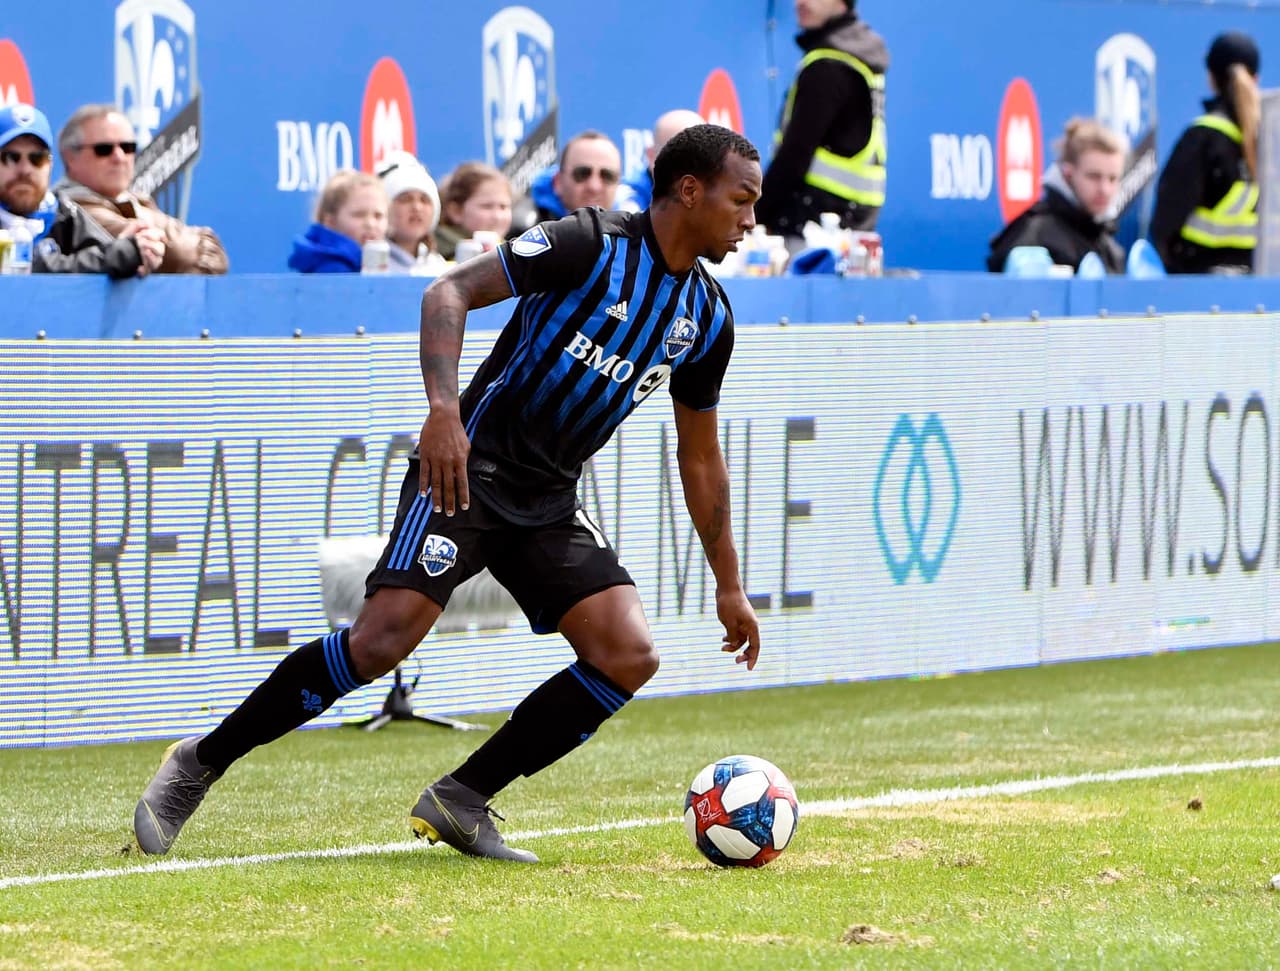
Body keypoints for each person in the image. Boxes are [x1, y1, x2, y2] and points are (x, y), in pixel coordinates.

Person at [132, 124, 763, 864]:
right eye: (741, 200)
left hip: (550, 499)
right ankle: (200, 761)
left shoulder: (707, 318)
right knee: (379, 644)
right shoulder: (588, 243)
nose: (750, 220)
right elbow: (449, 289)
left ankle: (462, 797)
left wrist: (729, 583)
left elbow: (700, 457)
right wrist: (442, 413)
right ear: (689, 191)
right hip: (466, 472)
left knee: (627, 653)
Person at [756, 0, 889, 243]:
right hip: (853, 226)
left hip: (811, 231)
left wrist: (753, 217)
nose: (801, 2)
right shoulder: (860, 54)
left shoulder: (829, 64)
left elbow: (794, 157)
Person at [53, 104, 228, 274]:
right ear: (70, 157)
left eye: (128, 147)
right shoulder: (65, 209)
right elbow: (184, 254)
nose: (119, 157)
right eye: (104, 149)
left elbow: (215, 259)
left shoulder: (137, 200)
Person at [0, 103, 162, 278]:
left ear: (50, 165)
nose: (25, 170)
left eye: (37, 158)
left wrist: (140, 253)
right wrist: (120, 254)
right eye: (10, 157)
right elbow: (30, 270)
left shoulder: (63, 213)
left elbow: (108, 253)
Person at [1150, 32, 1261, 275]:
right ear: (1256, 78)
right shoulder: (1269, 142)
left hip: (1197, 288)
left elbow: (1164, 223)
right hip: (1259, 293)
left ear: (1211, 77)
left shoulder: (1203, 137)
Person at [987, 118, 1126, 274]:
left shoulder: (1111, 249)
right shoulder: (1033, 238)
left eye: (1113, 178)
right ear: (1067, 175)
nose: (1104, 189)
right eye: (1093, 176)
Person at [287, 170, 388, 273]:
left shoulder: (369, 264)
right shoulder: (333, 269)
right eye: (359, 215)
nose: (370, 224)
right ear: (330, 221)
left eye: (378, 216)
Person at [530, 131, 623, 222]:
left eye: (607, 176)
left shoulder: (631, 233)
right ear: (557, 182)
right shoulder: (527, 233)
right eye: (582, 174)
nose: (594, 187)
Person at [624, 109, 705, 212]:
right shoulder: (629, 199)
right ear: (651, 156)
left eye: (700, 156)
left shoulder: (720, 194)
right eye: (677, 158)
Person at [377, 150, 442, 273]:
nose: (417, 207)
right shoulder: (370, 265)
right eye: (405, 199)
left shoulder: (439, 265)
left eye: (424, 200)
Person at [435, 162, 513, 260]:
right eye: (487, 206)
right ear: (456, 211)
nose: (497, 216)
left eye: (503, 207)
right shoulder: (434, 255)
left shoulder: (512, 253)